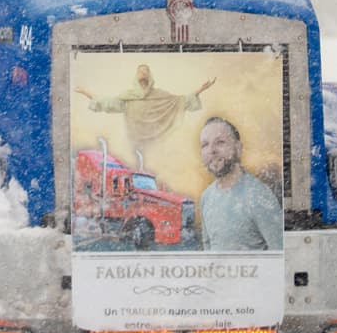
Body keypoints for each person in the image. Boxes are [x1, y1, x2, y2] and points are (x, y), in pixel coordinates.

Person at [75, 64, 215, 150]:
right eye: (140, 71)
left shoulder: (160, 95)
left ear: (150, 76)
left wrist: (200, 90)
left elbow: (181, 101)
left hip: (157, 144)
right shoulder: (128, 97)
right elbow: (106, 103)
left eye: (146, 70)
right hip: (135, 143)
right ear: (136, 76)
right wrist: (86, 92)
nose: (143, 73)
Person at [197, 116, 283, 251]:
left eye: (220, 142)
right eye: (205, 145)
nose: (211, 150)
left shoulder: (258, 195)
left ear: (238, 148)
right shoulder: (206, 198)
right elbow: (208, 253)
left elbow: (280, 256)